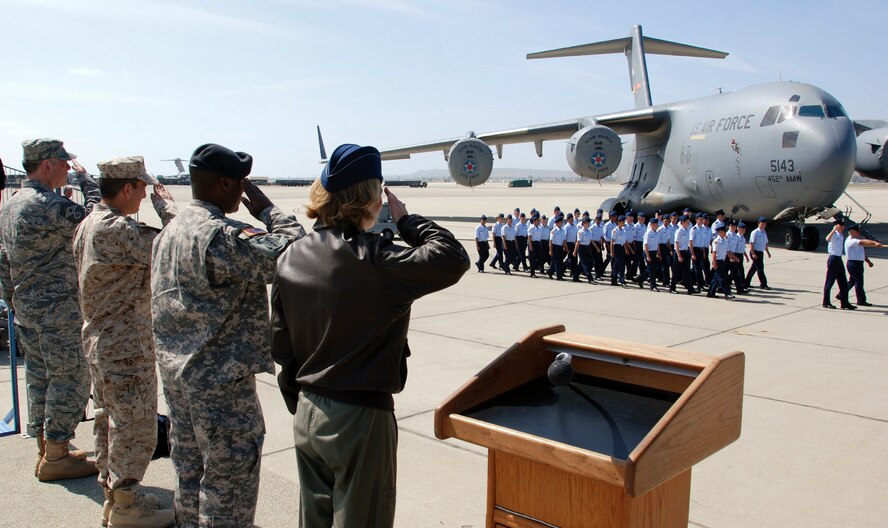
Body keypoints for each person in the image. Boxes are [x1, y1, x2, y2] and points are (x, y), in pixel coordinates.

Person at [270, 143, 469, 528]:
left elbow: (282, 347)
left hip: (308, 409)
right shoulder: (378, 260)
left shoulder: (290, 255)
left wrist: (305, 400)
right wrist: (408, 221)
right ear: (372, 200)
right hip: (359, 418)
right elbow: (452, 257)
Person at [151, 143, 305, 526]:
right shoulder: (221, 236)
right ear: (223, 183)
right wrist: (270, 212)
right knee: (229, 484)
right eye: (241, 183)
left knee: (189, 471)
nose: (243, 191)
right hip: (219, 387)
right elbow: (298, 254)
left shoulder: (172, 229)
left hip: (177, 377)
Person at [72, 156, 177, 527]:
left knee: (107, 422)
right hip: (126, 349)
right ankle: (127, 506)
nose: (146, 194)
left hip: (103, 343)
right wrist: (167, 209)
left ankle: (114, 497)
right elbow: (175, 246)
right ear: (128, 187)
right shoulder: (117, 230)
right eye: (143, 188)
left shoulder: (89, 224)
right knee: (134, 427)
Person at [0, 138, 100, 482]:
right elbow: (94, 219)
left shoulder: (12, 204)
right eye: (64, 163)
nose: (68, 169)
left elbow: (3, 260)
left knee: (40, 378)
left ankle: (45, 448)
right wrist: (89, 182)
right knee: (71, 377)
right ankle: (57, 453)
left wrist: (13, 299)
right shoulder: (46, 203)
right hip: (57, 310)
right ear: (47, 165)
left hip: (27, 307)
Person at [845, 224, 883, 306]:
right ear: (852, 232)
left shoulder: (855, 241)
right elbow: (864, 241)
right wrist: (875, 243)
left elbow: (861, 253)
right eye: (857, 231)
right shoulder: (851, 241)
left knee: (852, 281)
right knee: (859, 282)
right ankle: (861, 300)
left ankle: (841, 295)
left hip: (857, 263)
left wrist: (868, 261)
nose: (859, 233)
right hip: (854, 264)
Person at [822, 219, 855, 309]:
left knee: (843, 282)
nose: (844, 228)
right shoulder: (834, 234)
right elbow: (827, 238)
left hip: (839, 259)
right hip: (833, 259)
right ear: (838, 226)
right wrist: (834, 230)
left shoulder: (840, 235)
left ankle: (844, 302)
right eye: (842, 226)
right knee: (830, 281)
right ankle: (826, 302)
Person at [707, 224, 737, 300]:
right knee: (722, 278)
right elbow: (714, 253)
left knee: (716, 278)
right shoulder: (716, 241)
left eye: (725, 231)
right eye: (724, 231)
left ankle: (711, 292)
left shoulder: (724, 240)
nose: (725, 233)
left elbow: (728, 251)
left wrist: (734, 258)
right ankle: (727, 293)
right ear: (720, 232)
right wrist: (714, 263)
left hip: (722, 261)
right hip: (717, 261)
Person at [670, 214, 696, 294]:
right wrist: (679, 255)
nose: (688, 223)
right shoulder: (679, 231)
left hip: (686, 252)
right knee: (676, 272)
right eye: (687, 222)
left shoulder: (688, 231)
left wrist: (690, 253)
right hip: (679, 252)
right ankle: (672, 288)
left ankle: (690, 288)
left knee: (687, 272)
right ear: (682, 222)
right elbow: (676, 243)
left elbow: (688, 242)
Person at [745, 216, 771, 289]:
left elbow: (765, 243)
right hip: (755, 252)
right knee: (760, 269)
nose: (763, 225)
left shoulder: (764, 232)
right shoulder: (755, 232)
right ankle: (763, 284)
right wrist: (753, 253)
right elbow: (751, 243)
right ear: (758, 223)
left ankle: (746, 282)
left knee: (754, 268)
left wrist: (768, 252)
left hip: (760, 252)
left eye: (765, 224)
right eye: (762, 224)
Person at [640, 216, 661, 291]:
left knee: (653, 268)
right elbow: (645, 245)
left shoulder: (657, 233)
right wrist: (648, 256)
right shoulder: (648, 233)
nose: (656, 225)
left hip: (654, 252)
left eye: (657, 224)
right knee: (652, 270)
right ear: (651, 224)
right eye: (655, 224)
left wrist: (659, 253)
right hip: (648, 252)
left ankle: (640, 279)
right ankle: (653, 286)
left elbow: (657, 244)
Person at [572, 217, 594, 283]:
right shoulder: (580, 232)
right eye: (587, 223)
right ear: (583, 223)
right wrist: (575, 251)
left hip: (587, 248)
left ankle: (575, 276)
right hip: (581, 248)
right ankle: (590, 278)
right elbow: (578, 242)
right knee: (585, 264)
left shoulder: (589, 231)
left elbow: (590, 240)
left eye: (589, 222)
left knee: (581, 264)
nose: (588, 224)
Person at [610, 215, 629, 286]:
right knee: (621, 265)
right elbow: (612, 241)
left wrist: (626, 248)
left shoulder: (623, 230)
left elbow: (624, 241)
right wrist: (612, 252)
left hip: (621, 248)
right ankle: (622, 280)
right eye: (623, 221)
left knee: (616, 265)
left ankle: (614, 280)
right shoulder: (615, 231)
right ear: (619, 222)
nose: (624, 223)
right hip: (616, 248)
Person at [548, 214, 567, 280]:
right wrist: (550, 250)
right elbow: (551, 241)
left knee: (555, 262)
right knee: (557, 262)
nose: (561, 223)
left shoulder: (562, 231)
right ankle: (559, 276)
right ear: (556, 223)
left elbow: (564, 240)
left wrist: (565, 248)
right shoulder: (554, 231)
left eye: (562, 222)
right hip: (555, 247)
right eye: (560, 222)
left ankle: (550, 272)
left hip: (560, 247)